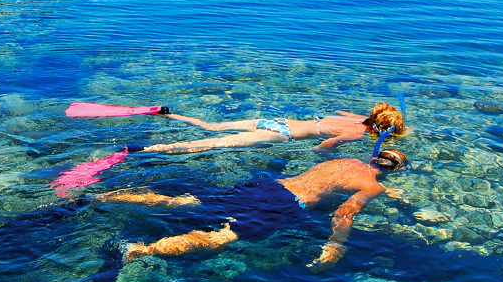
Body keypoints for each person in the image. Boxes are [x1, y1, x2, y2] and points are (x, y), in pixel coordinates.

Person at [99, 149, 409, 269]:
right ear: (393, 171)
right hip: (286, 205)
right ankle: (141, 249)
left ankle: (104, 197)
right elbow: (343, 215)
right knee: (223, 236)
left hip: (269, 187)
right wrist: (336, 247)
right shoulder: (373, 187)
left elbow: (324, 159)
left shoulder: (344, 161)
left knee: (181, 201)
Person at [133, 102, 405, 155]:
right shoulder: (357, 134)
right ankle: (144, 150)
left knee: (211, 128)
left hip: (277, 121)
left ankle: (168, 115)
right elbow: (323, 147)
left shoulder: (356, 120)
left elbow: (339, 113)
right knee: (213, 145)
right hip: (281, 134)